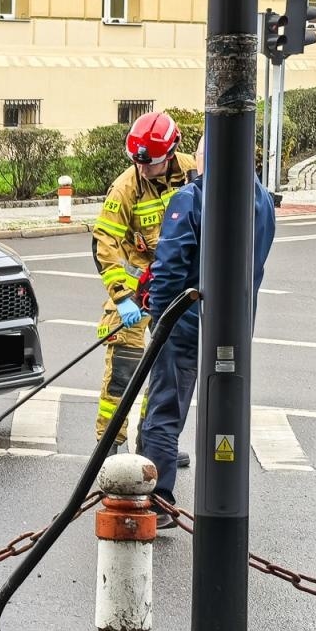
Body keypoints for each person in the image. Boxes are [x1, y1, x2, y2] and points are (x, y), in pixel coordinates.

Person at [138, 136, 276, 518]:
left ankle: (156, 500)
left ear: (205, 156)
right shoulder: (263, 200)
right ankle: (219, 499)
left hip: (184, 325)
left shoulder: (192, 198)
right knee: (221, 412)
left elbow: (168, 269)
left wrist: (159, 320)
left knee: (163, 411)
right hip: (233, 328)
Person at [92, 111, 196, 450]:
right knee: (123, 369)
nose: (142, 169)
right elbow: (103, 243)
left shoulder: (192, 172)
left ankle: (152, 443)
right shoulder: (125, 188)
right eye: (137, 162)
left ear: (170, 153)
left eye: (150, 164)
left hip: (175, 289)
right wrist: (122, 298)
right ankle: (109, 444)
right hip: (136, 293)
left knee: (166, 373)